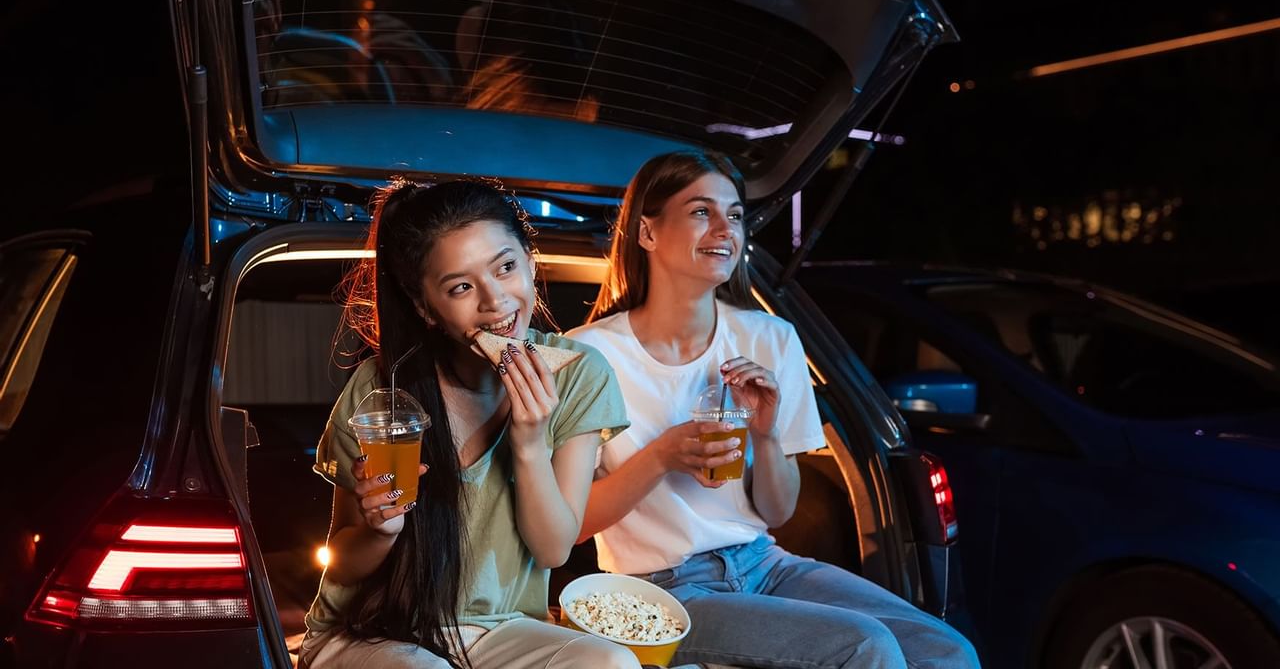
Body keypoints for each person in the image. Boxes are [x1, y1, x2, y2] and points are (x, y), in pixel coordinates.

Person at [567, 151, 981, 669]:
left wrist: (764, 435)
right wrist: (662, 456)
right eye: (701, 212)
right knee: (864, 645)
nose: (724, 228)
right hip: (658, 589)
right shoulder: (587, 355)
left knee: (948, 651)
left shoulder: (770, 337)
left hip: (764, 563)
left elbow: (778, 513)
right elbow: (572, 524)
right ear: (647, 233)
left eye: (735, 215)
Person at [298, 178, 639, 669]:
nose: (495, 300)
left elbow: (552, 549)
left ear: (530, 261)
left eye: (505, 267)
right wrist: (381, 531)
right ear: (426, 309)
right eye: (460, 286)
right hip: (370, 632)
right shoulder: (383, 388)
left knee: (611, 663)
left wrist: (528, 441)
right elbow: (344, 561)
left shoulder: (579, 372)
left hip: (498, 629)